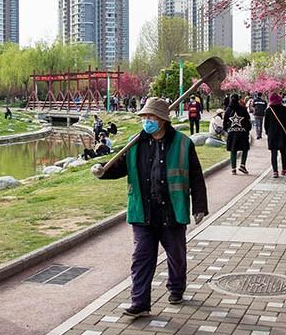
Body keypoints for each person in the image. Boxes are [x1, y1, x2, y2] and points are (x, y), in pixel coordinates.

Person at [91, 97, 208, 318]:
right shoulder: (135, 143)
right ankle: (140, 302)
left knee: (176, 255)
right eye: (144, 117)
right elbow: (118, 167)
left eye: (151, 117)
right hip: (143, 212)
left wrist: (199, 206)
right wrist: (102, 171)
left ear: (163, 120)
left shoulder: (183, 144)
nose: (146, 121)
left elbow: (195, 176)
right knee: (141, 258)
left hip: (172, 211)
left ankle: (176, 289)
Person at [263, 93, 286, 178]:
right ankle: (284, 169)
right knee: (283, 152)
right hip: (282, 133)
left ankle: (275, 171)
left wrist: (268, 133)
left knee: (274, 153)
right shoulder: (285, 109)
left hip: (272, 134)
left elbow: (266, 124)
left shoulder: (268, 110)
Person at [223, 93, 252, 175]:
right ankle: (242, 165)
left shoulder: (228, 110)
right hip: (242, 133)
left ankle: (233, 169)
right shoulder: (243, 109)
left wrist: (227, 130)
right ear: (238, 99)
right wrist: (247, 130)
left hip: (232, 133)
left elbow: (224, 123)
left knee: (233, 150)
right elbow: (248, 121)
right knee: (245, 149)